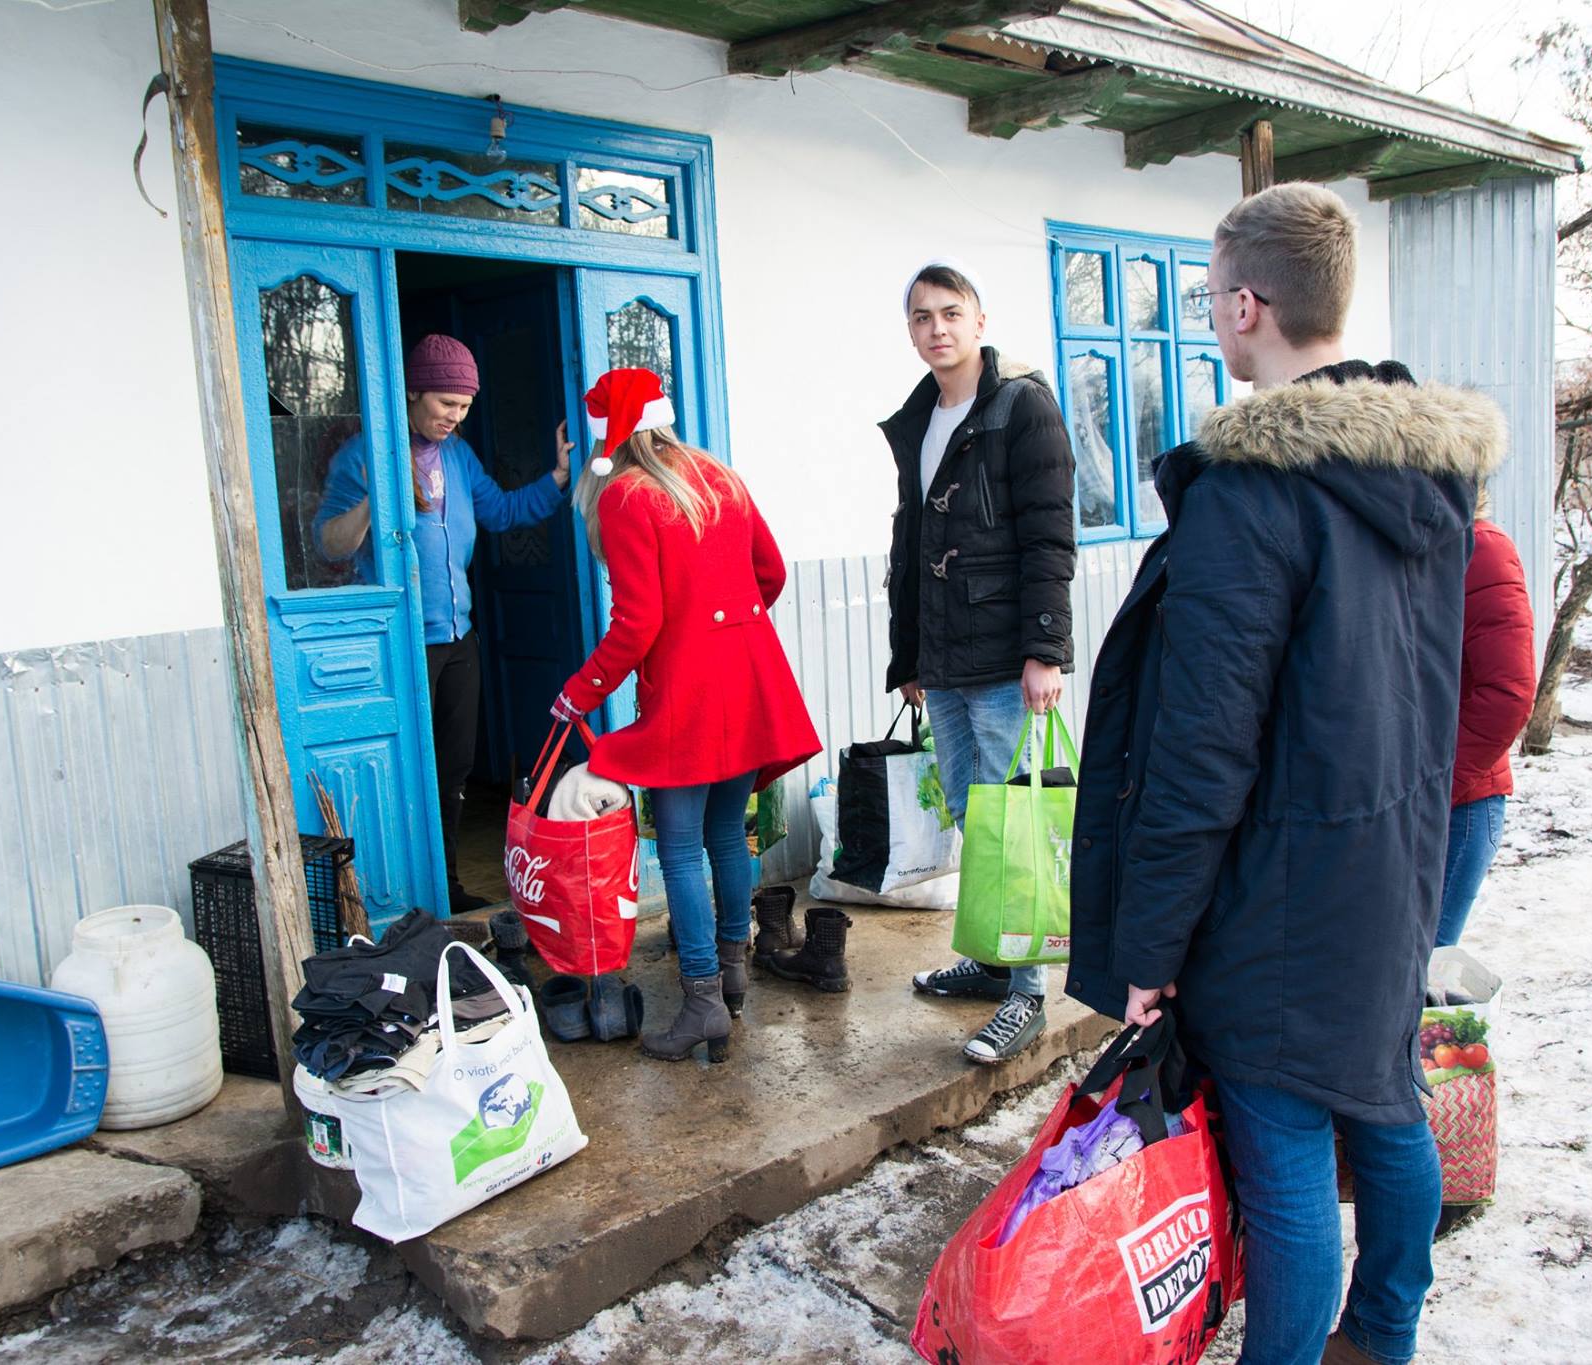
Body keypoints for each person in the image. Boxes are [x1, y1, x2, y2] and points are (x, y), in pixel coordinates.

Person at [1065, 183, 1507, 1365]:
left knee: (1287, 1165)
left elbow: (1196, 755)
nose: (1211, 316)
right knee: (1385, 1101)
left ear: (1248, 305)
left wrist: (1147, 950)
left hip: (1277, 898)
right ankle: (1382, 1334)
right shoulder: (1424, 479)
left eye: (1212, 297)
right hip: (1385, 871)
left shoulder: (1249, 497)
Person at [550, 367, 820, 1064]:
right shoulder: (718, 474)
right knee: (727, 833)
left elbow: (637, 623)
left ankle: (701, 1002)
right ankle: (731, 979)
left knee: (678, 845)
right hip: (749, 675)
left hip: (688, 692)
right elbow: (772, 572)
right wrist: (724, 617)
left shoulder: (626, 495)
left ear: (612, 428)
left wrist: (580, 690)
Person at [883, 259, 1077, 1066]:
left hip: (1005, 659)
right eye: (922, 316)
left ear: (980, 320)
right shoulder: (922, 416)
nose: (937, 328)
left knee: (1014, 824)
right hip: (947, 658)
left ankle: (1027, 992)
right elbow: (912, 541)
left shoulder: (1020, 408)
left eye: (950, 312)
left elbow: (1048, 533)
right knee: (971, 811)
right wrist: (909, 657)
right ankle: (996, 958)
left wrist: (1045, 649)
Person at [316, 333, 572, 911]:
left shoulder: (458, 456)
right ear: (412, 394)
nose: (454, 418)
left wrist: (557, 477)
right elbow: (328, 543)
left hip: (457, 638)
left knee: (453, 767)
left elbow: (502, 511)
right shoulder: (364, 454)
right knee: (406, 767)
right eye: (444, 405)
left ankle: (446, 884)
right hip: (399, 643)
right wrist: (382, 494)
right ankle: (399, 894)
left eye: (463, 408)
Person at [1438, 500, 1536, 947]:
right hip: (1402, 806)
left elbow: (1508, 695)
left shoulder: (1482, 549)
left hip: (1460, 806)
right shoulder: (1410, 545)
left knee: (1423, 967)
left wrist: (1434, 788)